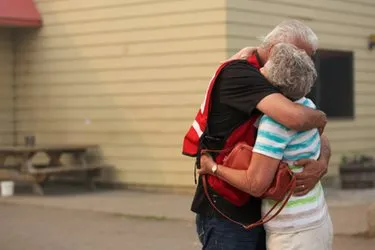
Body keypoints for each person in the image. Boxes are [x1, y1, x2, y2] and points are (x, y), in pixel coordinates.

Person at [182, 20, 331, 250]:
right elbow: (297, 119)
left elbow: (312, 133)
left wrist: (321, 163)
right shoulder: (239, 74)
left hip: (267, 214)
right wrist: (321, 117)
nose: (305, 64)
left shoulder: (286, 86)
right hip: (229, 216)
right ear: (274, 50)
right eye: (301, 55)